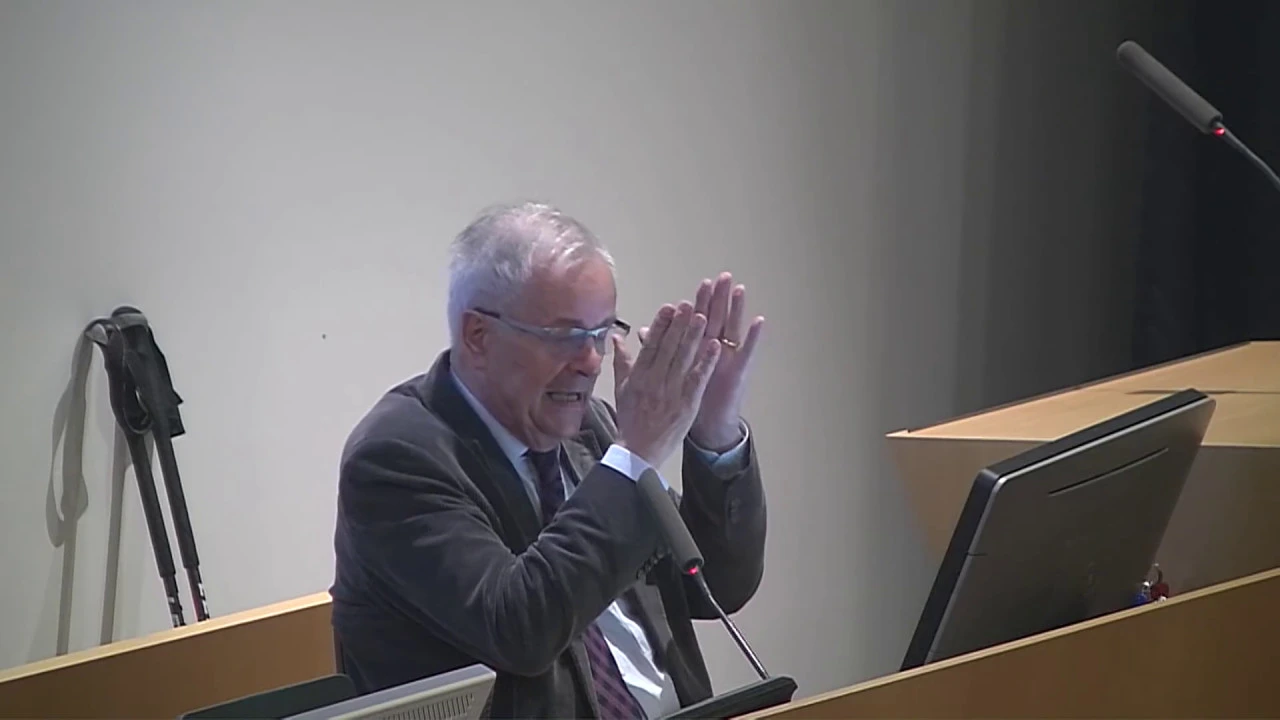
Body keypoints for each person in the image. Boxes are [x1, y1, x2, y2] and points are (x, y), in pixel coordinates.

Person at [329, 202, 768, 719]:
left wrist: (714, 430)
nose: (592, 361)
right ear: (477, 336)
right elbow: (520, 628)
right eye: (565, 337)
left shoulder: (593, 430)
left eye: (601, 333)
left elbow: (717, 586)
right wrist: (635, 455)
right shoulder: (397, 461)